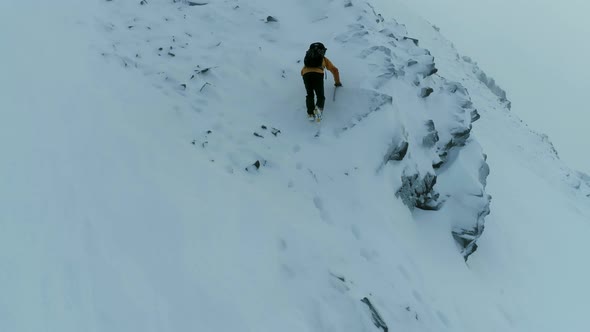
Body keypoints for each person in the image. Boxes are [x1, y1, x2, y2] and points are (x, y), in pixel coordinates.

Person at [301, 42, 342, 121]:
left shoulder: (308, 59)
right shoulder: (323, 59)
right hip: (318, 74)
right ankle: (317, 115)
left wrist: (306, 76)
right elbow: (335, 70)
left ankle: (310, 114)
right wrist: (337, 82)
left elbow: (302, 71)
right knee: (320, 96)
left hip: (306, 74)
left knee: (310, 95)